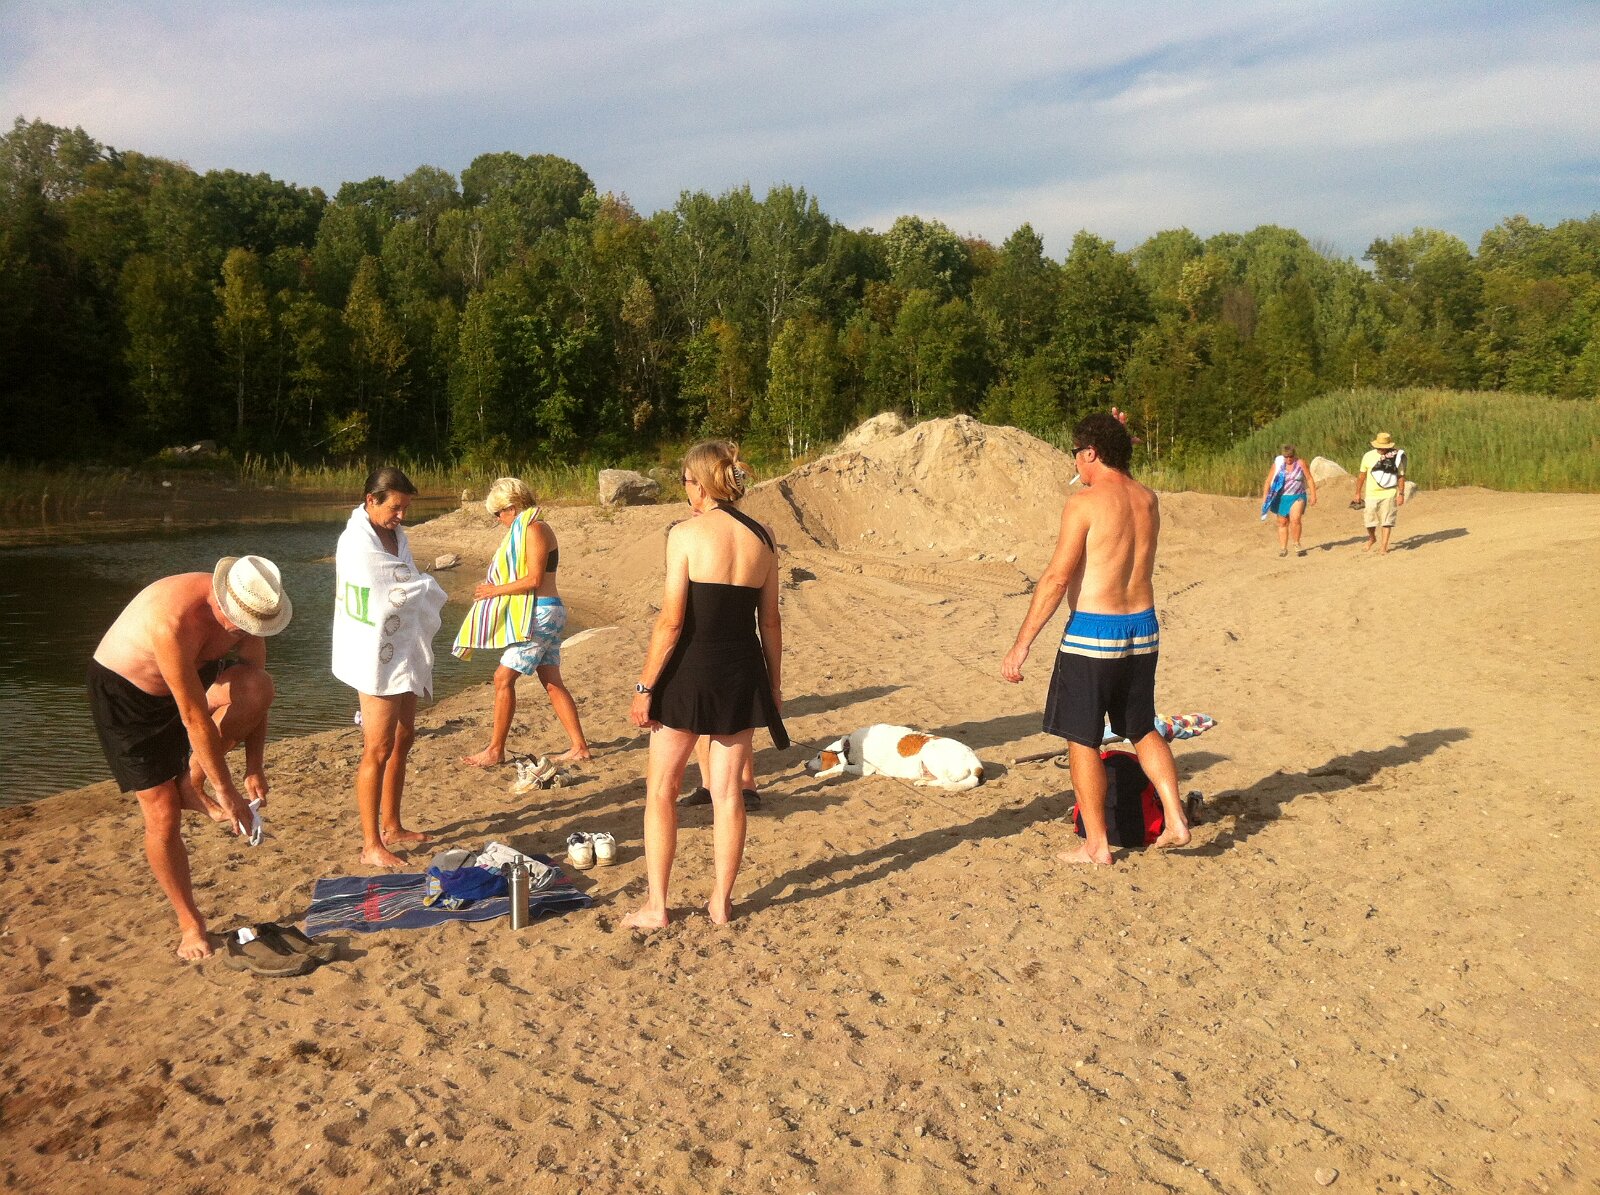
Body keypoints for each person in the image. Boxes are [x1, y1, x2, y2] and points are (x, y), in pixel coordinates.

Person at [1001, 412, 1190, 865]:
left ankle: (1097, 844)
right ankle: (1176, 819)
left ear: (1090, 453)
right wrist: (1117, 432)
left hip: (1093, 631)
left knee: (1081, 736)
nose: (1075, 465)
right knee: (1141, 727)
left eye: (1077, 454)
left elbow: (1057, 578)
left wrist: (1022, 644)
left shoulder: (1084, 502)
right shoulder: (1147, 498)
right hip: (1142, 628)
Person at [88, 555, 289, 959]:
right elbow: (194, 717)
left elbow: (259, 697)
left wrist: (254, 766)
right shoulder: (174, 620)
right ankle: (190, 923)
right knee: (163, 812)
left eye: (250, 626)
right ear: (219, 598)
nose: (241, 631)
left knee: (256, 685)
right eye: (237, 623)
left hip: (190, 681)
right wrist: (226, 791)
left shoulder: (252, 613)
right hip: (128, 695)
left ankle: (188, 781)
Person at [623, 441, 787, 929]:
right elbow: (770, 621)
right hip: (742, 672)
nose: (685, 491)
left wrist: (644, 686)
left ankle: (658, 906)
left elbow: (671, 623)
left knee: (662, 789)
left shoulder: (685, 534)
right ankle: (720, 901)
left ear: (698, 484)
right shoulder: (764, 536)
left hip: (690, 673)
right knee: (728, 793)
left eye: (685, 482)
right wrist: (773, 687)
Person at [332, 467, 448, 868]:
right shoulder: (355, 542)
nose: (401, 516)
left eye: (405, 508)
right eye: (395, 508)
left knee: (403, 737)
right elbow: (386, 588)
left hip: (403, 646)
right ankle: (371, 845)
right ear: (371, 501)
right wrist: (424, 586)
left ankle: (392, 825)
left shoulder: (398, 537)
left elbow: (404, 579)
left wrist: (418, 585)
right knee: (377, 747)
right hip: (373, 652)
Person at [455, 477, 591, 767]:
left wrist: (494, 591)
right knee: (552, 681)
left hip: (541, 612)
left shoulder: (534, 529)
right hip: (547, 611)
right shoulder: (531, 528)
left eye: (498, 513)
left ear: (512, 508)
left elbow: (534, 579)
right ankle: (579, 746)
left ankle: (495, 750)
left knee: (502, 678)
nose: (498, 520)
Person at [1260, 443, 1317, 557]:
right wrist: (1265, 497)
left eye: (1291, 456)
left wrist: (1313, 495)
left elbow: (1309, 479)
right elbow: (1268, 481)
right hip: (1281, 497)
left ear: (1294, 455)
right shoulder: (1278, 465)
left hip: (1298, 496)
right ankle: (1283, 548)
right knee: (1282, 522)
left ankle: (1297, 544)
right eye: (1286, 457)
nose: (1289, 459)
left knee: (1295, 519)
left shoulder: (1300, 463)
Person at [1354, 431, 1407, 555]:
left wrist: (1401, 494)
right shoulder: (1367, 456)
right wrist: (1357, 493)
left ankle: (1384, 546)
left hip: (1389, 493)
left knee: (1387, 521)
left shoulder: (1395, 457)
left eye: (1385, 447)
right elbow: (1362, 476)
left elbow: (1400, 476)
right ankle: (1372, 538)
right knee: (1369, 521)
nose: (1382, 449)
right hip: (1371, 494)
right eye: (1380, 447)